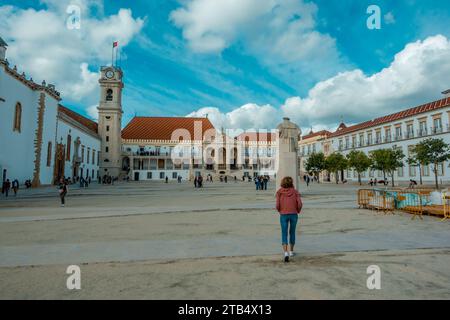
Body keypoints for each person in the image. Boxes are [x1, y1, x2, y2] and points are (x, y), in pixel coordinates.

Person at [276, 176, 302, 263]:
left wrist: (280, 210)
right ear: (291, 183)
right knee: (292, 232)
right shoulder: (295, 192)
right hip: (294, 214)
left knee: (284, 233)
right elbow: (300, 203)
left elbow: (277, 204)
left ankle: (285, 253)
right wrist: (297, 210)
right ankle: (291, 251)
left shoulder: (279, 192)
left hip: (283, 214)